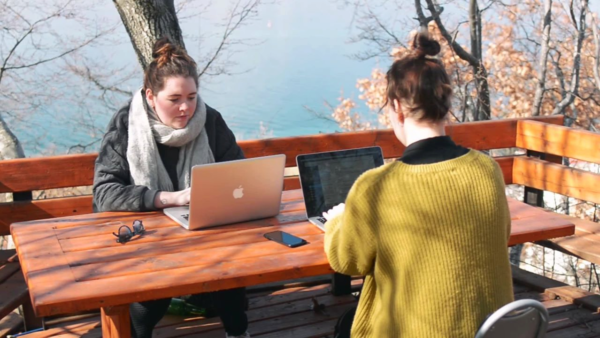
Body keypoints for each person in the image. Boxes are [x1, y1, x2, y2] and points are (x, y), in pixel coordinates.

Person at [322, 30, 514, 337]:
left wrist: (336, 222)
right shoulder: (486, 170)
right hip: (487, 330)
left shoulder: (376, 187)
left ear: (397, 107)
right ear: (445, 103)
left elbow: (347, 260)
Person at [93, 37, 250, 338]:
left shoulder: (210, 120)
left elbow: (238, 172)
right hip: (144, 235)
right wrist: (168, 198)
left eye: (192, 97)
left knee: (228, 268)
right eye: (174, 99)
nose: (186, 108)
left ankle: (237, 332)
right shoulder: (127, 124)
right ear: (151, 97)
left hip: (202, 229)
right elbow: (104, 193)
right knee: (153, 294)